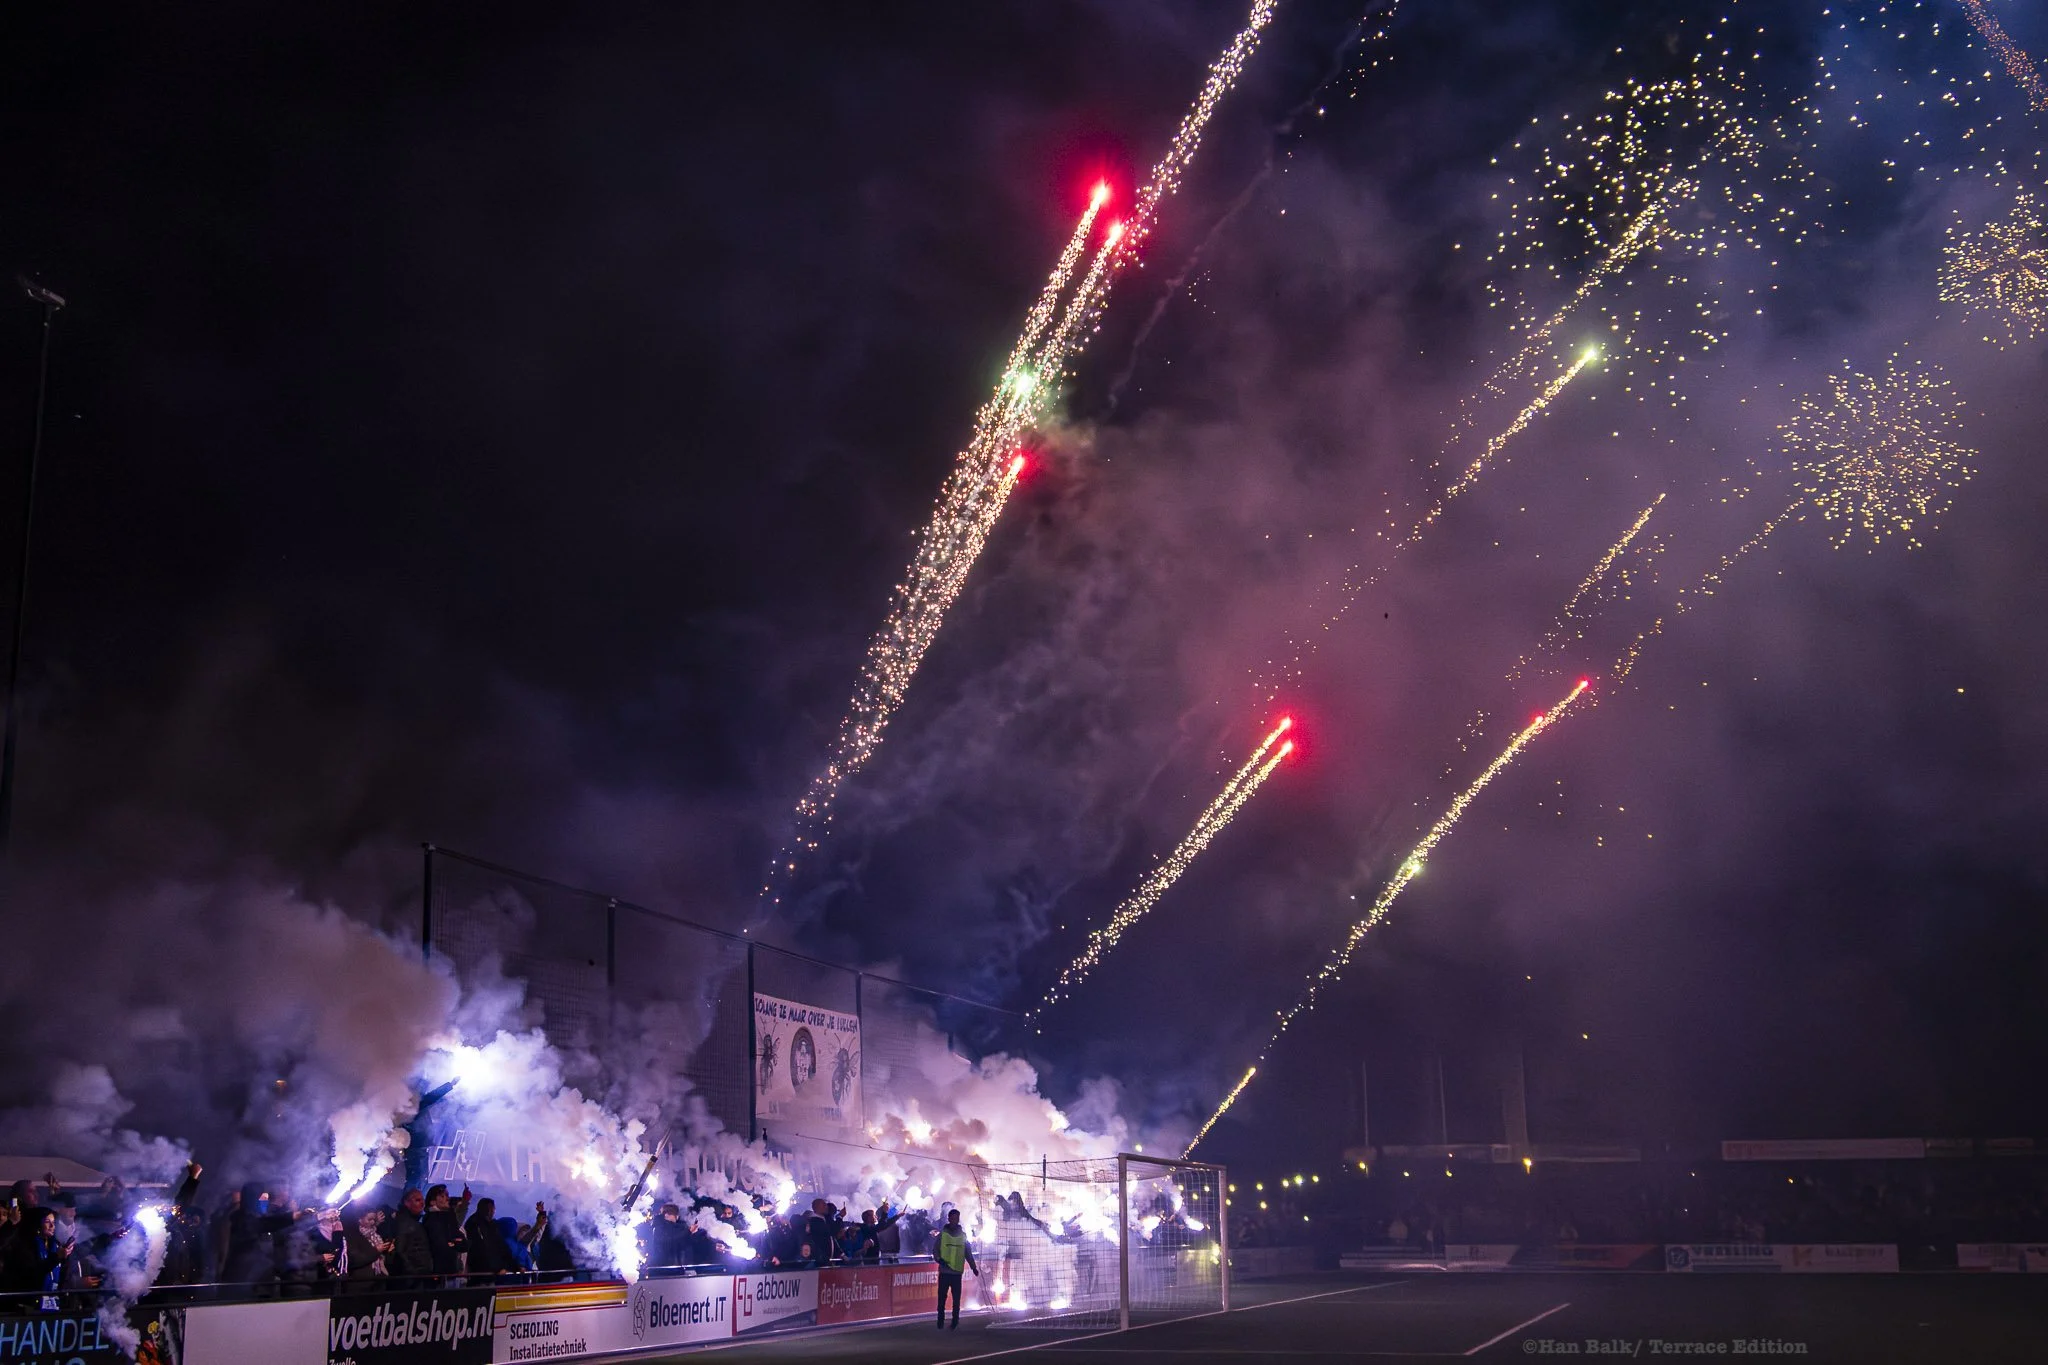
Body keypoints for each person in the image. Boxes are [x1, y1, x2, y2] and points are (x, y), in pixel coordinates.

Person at [933, 1208, 978, 1330]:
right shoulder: (942, 1235)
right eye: (953, 1218)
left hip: (956, 1273)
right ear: (949, 1219)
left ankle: (955, 1321)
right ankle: (940, 1321)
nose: (955, 1220)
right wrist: (939, 1259)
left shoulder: (963, 1236)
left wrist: (973, 1267)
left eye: (956, 1218)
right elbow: (935, 1250)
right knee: (942, 1298)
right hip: (945, 1272)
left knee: (956, 1299)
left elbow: (968, 1253)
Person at [422, 1184, 471, 1281]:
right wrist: (454, 1243)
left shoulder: (448, 1218)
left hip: (452, 1272)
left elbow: (464, 1244)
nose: (447, 1198)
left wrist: (453, 1243)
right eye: (442, 1196)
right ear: (432, 1202)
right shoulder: (432, 1221)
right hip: (441, 1275)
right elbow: (441, 1246)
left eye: (447, 1195)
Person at [387, 1190, 435, 1285]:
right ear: (407, 1203)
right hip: (411, 1278)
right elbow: (400, 1250)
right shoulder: (404, 1222)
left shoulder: (413, 1222)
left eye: (422, 1200)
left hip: (417, 1275)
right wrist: (412, 1271)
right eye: (417, 1200)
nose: (422, 1203)